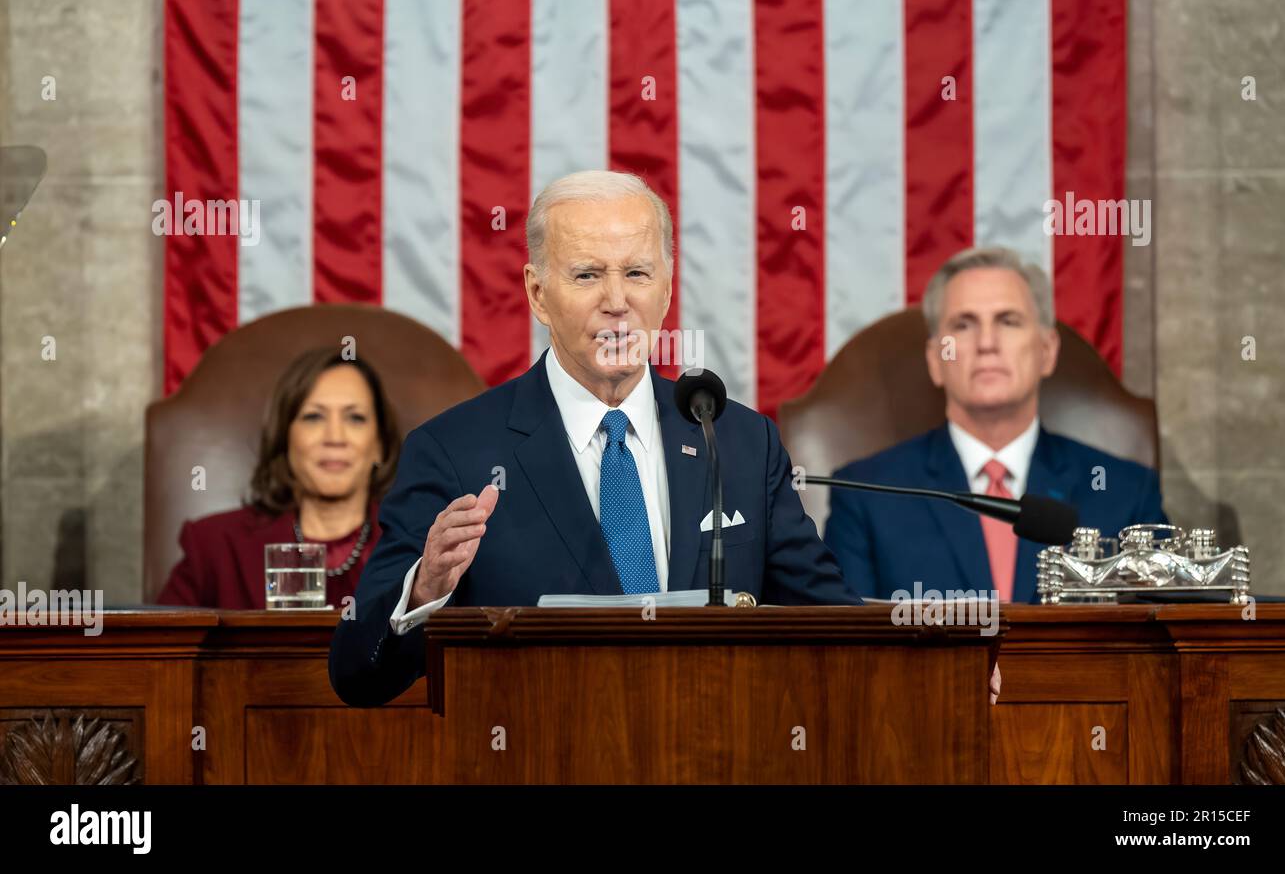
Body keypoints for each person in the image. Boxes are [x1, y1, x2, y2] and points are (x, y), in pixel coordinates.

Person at [329, 170, 864, 707]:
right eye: (587, 275)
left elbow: (840, 633)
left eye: (636, 272)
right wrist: (425, 590)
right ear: (538, 294)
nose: (617, 301)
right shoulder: (454, 453)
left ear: (668, 287)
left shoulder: (741, 441)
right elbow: (358, 675)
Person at [825, 246, 1166, 603]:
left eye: (1008, 321)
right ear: (935, 360)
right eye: (963, 324)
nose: (986, 343)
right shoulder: (865, 494)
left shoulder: (1126, 494)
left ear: (1047, 351)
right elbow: (849, 650)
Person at [156, 347, 400, 609]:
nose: (335, 437)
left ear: (379, 445)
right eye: (313, 417)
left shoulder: (415, 549)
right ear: (285, 438)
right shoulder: (213, 546)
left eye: (355, 418)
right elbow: (160, 645)